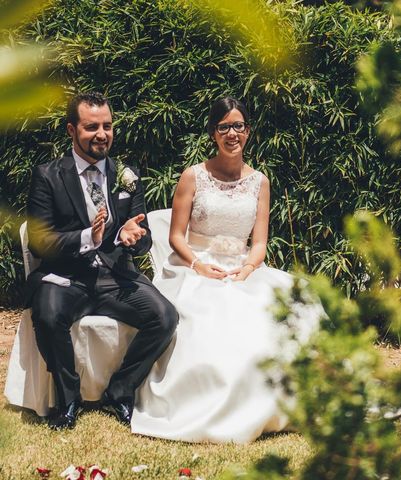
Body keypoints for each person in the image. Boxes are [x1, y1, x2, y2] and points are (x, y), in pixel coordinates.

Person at [131, 97, 320, 443]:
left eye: (238, 126)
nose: (232, 133)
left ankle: (279, 405)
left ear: (248, 131)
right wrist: (199, 265)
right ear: (213, 133)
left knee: (291, 309)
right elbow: (175, 236)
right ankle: (210, 406)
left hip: (244, 268)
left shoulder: (260, 182)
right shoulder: (193, 176)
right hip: (195, 266)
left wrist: (248, 269)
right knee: (209, 321)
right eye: (224, 127)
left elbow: (260, 242)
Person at [26, 92, 178, 430]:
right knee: (49, 317)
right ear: (71, 130)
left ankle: (120, 392)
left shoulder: (127, 174)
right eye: (91, 126)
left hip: (116, 277)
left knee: (165, 317)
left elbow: (146, 237)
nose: (102, 134)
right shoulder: (48, 176)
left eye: (107, 126)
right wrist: (87, 238)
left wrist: (132, 237)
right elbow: (39, 242)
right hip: (66, 277)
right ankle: (68, 400)